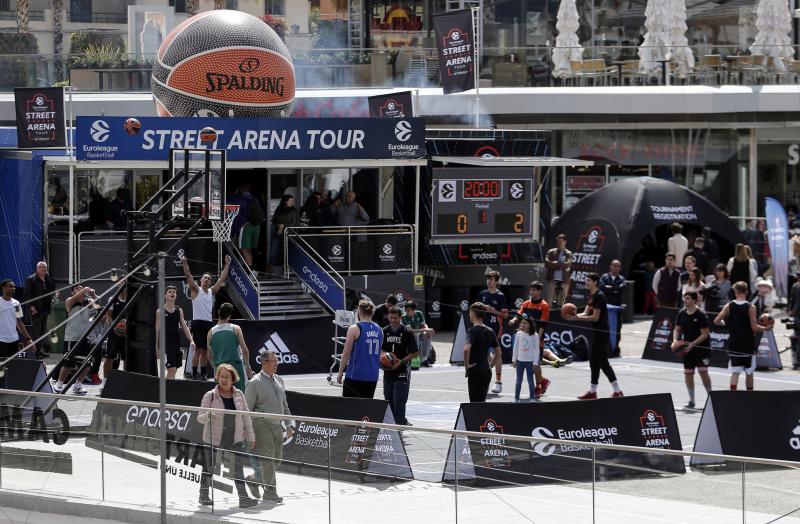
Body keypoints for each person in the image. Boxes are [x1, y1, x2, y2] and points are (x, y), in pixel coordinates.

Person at [197, 363, 258, 509]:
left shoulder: (239, 395)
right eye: (221, 376)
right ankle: (203, 495)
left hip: (234, 438)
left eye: (227, 377)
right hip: (213, 438)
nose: (223, 379)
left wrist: (251, 436)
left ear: (233, 378)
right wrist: (208, 416)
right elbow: (199, 417)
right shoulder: (210, 396)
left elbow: (246, 417)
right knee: (209, 467)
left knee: (238, 469)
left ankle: (243, 499)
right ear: (217, 377)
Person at [563, 273, 624, 399]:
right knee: (593, 362)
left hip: (602, 333)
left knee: (603, 363)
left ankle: (617, 391)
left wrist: (577, 319)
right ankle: (593, 391)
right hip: (596, 333)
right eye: (586, 279)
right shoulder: (591, 296)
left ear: (595, 282)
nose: (586, 282)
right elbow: (586, 313)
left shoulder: (599, 296)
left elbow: (595, 317)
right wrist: (574, 317)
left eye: (589, 280)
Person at [245, 348, 292, 503]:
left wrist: (289, 424)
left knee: (277, 459)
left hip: (277, 425)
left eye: (276, 361)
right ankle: (270, 493)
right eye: (273, 361)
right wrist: (249, 432)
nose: (276, 364)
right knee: (268, 461)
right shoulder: (254, 383)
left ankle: (254, 479)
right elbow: (247, 410)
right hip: (261, 425)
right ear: (264, 363)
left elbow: (284, 404)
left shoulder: (279, 379)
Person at [714, 281, 772, 391]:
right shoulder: (751, 307)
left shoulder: (729, 305)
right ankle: (749, 396)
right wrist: (765, 328)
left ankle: (733, 395)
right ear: (746, 292)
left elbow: (716, 320)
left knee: (735, 372)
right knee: (749, 372)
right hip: (747, 345)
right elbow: (754, 327)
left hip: (734, 344)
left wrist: (724, 323)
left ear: (735, 292)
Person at [182, 255, 231, 380]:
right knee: (198, 350)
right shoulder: (195, 289)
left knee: (205, 351)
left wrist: (227, 264)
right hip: (198, 323)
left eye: (209, 278)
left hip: (208, 324)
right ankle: (193, 374)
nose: (207, 279)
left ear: (210, 282)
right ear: (201, 280)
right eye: (205, 277)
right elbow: (188, 275)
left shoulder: (211, 291)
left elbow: (221, 278)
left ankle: (203, 374)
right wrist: (184, 262)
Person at [511, 281, 564, 374]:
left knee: (535, 366)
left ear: (539, 291)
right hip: (525, 339)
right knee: (529, 366)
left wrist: (537, 340)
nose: (531, 292)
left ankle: (542, 382)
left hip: (536, 338)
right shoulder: (526, 304)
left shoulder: (544, 305)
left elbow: (542, 326)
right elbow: (518, 315)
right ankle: (541, 381)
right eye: (530, 290)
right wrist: (514, 320)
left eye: (534, 290)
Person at [54, 284, 97, 395]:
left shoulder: (87, 302)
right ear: (73, 292)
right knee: (69, 363)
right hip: (72, 338)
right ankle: (59, 384)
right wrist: (84, 290)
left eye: (81, 288)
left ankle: (78, 385)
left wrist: (93, 294)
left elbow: (98, 305)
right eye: (77, 288)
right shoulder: (70, 301)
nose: (80, 289)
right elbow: (74, 298)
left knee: (87, 363)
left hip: (84, 337)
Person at [671, 291, 711, 409]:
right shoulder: (681, 313)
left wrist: (692, 344)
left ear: (694, 300)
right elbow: (677, 329)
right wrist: (675, 341)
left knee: (703, 372)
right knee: (688, 373)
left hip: (701, 348)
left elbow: (705, 334)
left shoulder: (701, 314)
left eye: (688, 298)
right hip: (687, 349)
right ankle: (691, 400)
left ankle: (711, 398)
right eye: (684, 298)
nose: (685, 300)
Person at [337, 300, 382, 398]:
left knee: (351, 408)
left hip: (356, 375)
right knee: (365, 410)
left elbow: (346, 352)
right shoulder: (379, 329)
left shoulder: (354, 328)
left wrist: (340, 372)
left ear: (359, 311)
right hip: (372, 376)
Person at [382, 307, 418, 426]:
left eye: (395, 318)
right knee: (388, 399)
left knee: (400, 401)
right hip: (388, 371)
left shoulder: (407, 332)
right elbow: (380, 349)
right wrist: (384, 357)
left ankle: (400, 424)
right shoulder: (385, 331)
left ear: (401, 318)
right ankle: (395, 422)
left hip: (402, 370)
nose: (392, 320)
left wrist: (401, 361)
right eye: (390, 318)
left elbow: (415, 352)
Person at [208, 303, 253, 392]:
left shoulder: (210, 332)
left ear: (218, 312)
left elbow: (209, 356)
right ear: (229, 315)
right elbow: (245, 351)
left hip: (220, 370)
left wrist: (216, 369)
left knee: (222, 400)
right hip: (236, 369)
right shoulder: (236, 329)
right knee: (240, 398)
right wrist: (247, 366)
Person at [155, 285, 195, 380]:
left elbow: (184, 327)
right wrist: (156, 347)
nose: (172, 293)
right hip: (166, 346)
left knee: (174, 370)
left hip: (176, 344)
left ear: (176, 295)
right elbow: (157, 331)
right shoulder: (160, 311)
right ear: (165, 295)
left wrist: (191, 340)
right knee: (171, 370)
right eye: (170, 292)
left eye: (174, 292)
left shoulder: (179, 310)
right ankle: (167, 392)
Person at [463, 302, 500, 402]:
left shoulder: (472, 330)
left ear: (474, 313)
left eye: (470, 312)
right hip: (486, 370)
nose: (469, 314)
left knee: (475, 402)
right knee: (482, 401)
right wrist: (490, 366)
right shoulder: (490, 330)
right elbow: (498, 353)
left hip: (475, 369)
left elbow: (466, 349)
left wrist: (467, 366)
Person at [478, 270, 508, 394]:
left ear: (496, 281)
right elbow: (475, 309)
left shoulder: (501, 296)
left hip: (495, 329)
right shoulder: (482, 294)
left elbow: (505, 315)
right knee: (484, 355)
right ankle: (485, 379)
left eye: (491, 279)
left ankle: (498, 382)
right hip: (482, 328)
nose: (489, 282)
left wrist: (493, 311)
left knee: (497, 354)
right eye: (487, 279)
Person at [23, 261, 55, 358]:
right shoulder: (31, 279)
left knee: (43, 332)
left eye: (45, 267)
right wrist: (31, 306)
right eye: (42, 267)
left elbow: (51, 289)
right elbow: (27, 294)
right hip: (36, 310)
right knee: (36, 332)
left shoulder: (47, 278)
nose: (44, 269)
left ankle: (40, 351)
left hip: (45, 309)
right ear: (37, 269)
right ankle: (35, 354)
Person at [100, 283, 129, 390]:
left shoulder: (131, 297)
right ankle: (105, 382)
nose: (124, 285)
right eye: (121, 282)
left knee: (127, 358)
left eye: (125, 282)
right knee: (109, 357)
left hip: (127, 332)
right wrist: (115, 327)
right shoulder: (113, 298)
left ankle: (127, 381)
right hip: (114, 332)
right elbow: (108, 315)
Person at [0, 279, 35, 359]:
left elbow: (19, 322)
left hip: (14, 341)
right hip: (1, 341)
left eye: (14, 287)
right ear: (3, 288)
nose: (13, 288)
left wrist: (29, 339)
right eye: (10, 286)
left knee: (12, 366)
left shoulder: (16, 303)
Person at [230, 183, 262, 267]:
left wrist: (235, 230)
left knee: (243, 248)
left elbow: (238, 217)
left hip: (245, 226)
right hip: (255, 226)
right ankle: (251, 267)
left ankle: (250, 269)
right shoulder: (255, 199)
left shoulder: (240, 200)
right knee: (248, 249)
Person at [599, 259, 626, 355]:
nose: (616, 267)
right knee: (604, 328)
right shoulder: (604, 277)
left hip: (617, 309)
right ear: (610, 266)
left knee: (617, 329)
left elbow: (622, 288)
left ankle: (615, 349)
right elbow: (602, 288)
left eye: (618, 266)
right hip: (605, 309)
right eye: (614, 265)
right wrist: (615, 289)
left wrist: (610, 288)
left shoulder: (621, 279)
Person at [512, 316, 539, 402]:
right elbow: (515, 347)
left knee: (530, 380)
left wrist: (535, 363)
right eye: (521, 323)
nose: (522, 324)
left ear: (530, 325)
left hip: (530, 362)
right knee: (518, 380)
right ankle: (516, 398)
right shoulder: (518, 334)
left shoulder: (535, 335)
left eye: (525, 323)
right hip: (520, 361)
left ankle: (532, 397)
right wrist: (514, 360)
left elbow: (536, 350)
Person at [401, 301, 433, 368]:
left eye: (408, 310)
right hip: (407, 337)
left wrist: (427, 330)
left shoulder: (419, 313)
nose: (407, 312)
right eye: (406, 310)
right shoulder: (404, 317)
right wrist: (424, 330)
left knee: (427, 334)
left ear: (414, 310)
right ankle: (414, 357)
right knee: (415, 335)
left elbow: (423, 324)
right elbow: (411, 331)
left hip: (418, 333)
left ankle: (424, 359)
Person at [269, 195, 297, 267]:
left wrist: (283, 226)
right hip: (278, 234)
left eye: (292, 201)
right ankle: (273, 269)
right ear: (285, 201)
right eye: (290, 201)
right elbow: (274, 221)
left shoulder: (293, 211)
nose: (292, 203)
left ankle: (285, 269)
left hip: (288, 235)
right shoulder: (278, 209)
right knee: (274, 252)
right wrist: (279, 226)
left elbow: (293, 223)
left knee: (285, 252)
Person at [544, 233, 573, 306]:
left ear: (565, 242)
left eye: (561, 241)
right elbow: (547, 263)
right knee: (549, 302)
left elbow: (567, 264)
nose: (559, 243)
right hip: (552, 280)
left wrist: (555, 263)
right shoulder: (551, 252)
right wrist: (560, 265)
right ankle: (549, 317)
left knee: (560, 304)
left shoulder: (568, 253)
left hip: (563, 281)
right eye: (557, 241)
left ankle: (559, 317)